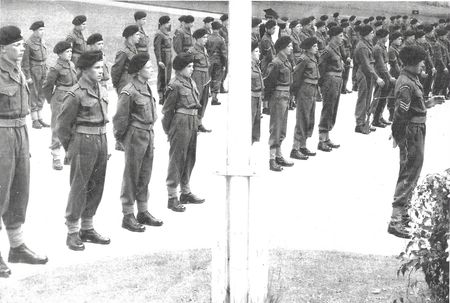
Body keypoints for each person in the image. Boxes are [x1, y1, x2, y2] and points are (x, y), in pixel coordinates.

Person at [0, 25, 48, 279]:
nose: (21, 49)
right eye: (16, 46)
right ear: (2, 49)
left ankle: (17, 247)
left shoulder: (17, 70)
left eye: (21, 45)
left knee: (20, 190)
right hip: (2, 136)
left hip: (20, 132)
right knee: (0, 192)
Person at [388, 45, 445, 239]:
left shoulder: (412, 79)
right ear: (412, 62)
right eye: (421, 61)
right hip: (411, 132)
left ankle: (404, 215)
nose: (423, 64)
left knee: (413, 170)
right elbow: (401, 112)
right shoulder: (405, 83)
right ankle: (395, 220)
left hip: (417, 128)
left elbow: (414, 106)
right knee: (408, 172)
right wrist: (397, 135)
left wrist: (429, 103)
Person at [56, 50, 110, 251]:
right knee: (79, 187)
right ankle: (72, 232)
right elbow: (62, 127)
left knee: (97, 185)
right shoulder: (75, 93)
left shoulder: (102, 90)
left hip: (101, 139)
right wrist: (72, 148)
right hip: (83, 142)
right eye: (96, 67)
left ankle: (87, 228)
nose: (100, 71)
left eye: (101, 67)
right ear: (84, 70)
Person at [113, 53, 163, 233]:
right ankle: (127, 215)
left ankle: (143, 211)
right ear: (139, 71)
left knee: (145, 174)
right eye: (148, 67)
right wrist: (121, 139)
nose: (151, 69)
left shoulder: (146, 86)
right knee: (131, 176)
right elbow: (120, 119)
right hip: (135, 135)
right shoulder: (129, 90)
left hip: (148, 133)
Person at [162, 53, 205, 212]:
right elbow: (167, 111)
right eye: (189, 67)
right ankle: (172, 196)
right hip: (180, 122)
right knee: (177, 159)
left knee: (190, 157)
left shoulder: (191, 82)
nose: (192, 69)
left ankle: (185, 192)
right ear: (180, 69)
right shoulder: (175, 85)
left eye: (193, 66)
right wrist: (170, 131)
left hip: (192, 122)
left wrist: (197, 124)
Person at [42, 41, 77, 171]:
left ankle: (68, 154)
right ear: (60, 54)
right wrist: (51, 100)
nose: (70, 54)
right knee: (57, 127)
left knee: (71, 126)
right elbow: (47, 85)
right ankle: (56, 156)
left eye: (71, 51)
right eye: (67, 52)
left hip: (71, 98)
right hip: (59, 99)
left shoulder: (72, 64)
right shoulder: (55, 68)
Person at [264, 36, 295, 172]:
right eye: (289, 46)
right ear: (282, 48)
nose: (291, 48)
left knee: (282, 128)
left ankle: (279, 155)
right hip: (278, 97)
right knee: (276, 128)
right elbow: (269, 82)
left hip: (285, 96)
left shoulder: (286, 61)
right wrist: (267, 101)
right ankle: (272, 159)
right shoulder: (276, 62)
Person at [290, 37, 320, 160]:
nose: (317, 48)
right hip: (304, 90)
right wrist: (294, 93)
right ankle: (295, 148)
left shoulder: (313, 58)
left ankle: (303, 145)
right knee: (302, 119)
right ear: (308, 48)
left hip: (312, 89)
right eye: (314, 46)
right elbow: (296, 77)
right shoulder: (303, 59)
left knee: (309, 119)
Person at [353, 25, 385, 134]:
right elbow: (366, 65)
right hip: (364, 73)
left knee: (367, 99)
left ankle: (364, 122)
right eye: (371, 33)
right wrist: (377, 78)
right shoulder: (362, 46)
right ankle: (359, 123)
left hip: (368, 74)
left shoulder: (367, 44)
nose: (373, 35)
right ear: (366, 34)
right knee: (363, 99)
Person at [317, 26, 344, 152]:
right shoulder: (328, 50)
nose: (342, 38)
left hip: (336, 81)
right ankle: (321, 140)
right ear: (333, 37)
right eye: (340, 36)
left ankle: (327, 137)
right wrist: (322, 84)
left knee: (333, 109)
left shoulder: (336, 49)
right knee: (328, 109)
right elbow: (320, 66)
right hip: (330, 81)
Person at [22, 21, 49, 129]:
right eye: (40, 30)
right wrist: (28, 76)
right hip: (34, 72)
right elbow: (25, 62)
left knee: (42, 94)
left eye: (43, 29)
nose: (43, 32)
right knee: (33, 94)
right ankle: (34, 119)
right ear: (34, 31)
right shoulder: (28, 43)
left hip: (43, 70)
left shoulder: (42, 41)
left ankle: (40, 117)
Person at [189, 28, 212, 132]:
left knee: (204, 100)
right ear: (197, 39)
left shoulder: (204, 49)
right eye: (204, 37)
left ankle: (199, 123)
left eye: (206, 37)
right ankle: (192, 124)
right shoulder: (192, 51)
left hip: (206, 77)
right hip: (197, 77)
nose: (206, 39)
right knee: (196, 99)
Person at [372, 29, 396, 128]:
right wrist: (389, 77)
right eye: (386, 36)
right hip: (382, 75)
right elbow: (381, 66)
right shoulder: (378, 48)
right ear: (382, 37)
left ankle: (379, 117)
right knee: (379, 98)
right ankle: (375, 120)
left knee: (383, 98)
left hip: (384, 75)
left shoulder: (382, 47)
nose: (387, 38)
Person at [111, 25, 140, 95]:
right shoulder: (123, 51)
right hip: (126, 82)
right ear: (130, 36)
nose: (139, 36)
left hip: (134, 81)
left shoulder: (133, 48)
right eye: (137, 34)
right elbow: (116, 70)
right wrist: (116, 84)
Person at [206, 21, 227, 106]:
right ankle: (214, 98)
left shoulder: (207, 38)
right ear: (219, 29)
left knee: (208, 77)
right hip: (218, 60)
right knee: (217, 78)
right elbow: (224, 53)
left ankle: (207, 94)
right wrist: (225, 63)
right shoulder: (221, 39)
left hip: (209, 60)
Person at [154, 15, 173, 104]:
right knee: (162, 77)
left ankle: (166, 94)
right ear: (163, 24)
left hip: (168, 58)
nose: (169, 24)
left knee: (167, 77)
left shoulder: (166, 33)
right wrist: (159, 60)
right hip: (163, 58)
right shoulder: (159, 34)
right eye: (168, 22)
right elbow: (157, 48)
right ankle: (161, 96)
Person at [260, 19, 276, 115]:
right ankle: (265, 107)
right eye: (273, 28)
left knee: (269, 85)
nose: (274, 30)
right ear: (267, 29)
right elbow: (270, 55)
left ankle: (267, 106)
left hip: (269, 63)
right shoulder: (266, 39)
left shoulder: (268, 37)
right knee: (267, 85)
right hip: (267, 64)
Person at [387, 32, 403, 121]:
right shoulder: (392, 49)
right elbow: (395, 64)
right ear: (394, 40)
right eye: (399, 39)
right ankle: (391, 113)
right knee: (392, 94)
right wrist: (401, 73)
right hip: (395, 73)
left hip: (399, 71)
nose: (400, 40)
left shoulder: (397, 48)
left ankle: (395, 113)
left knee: (397, 93)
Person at [251, 41, 263, 144]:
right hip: (251, 97)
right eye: (256, 51)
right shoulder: (249, 66)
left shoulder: (256, 65)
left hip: (257, 97)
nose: (259, 53)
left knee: (255, 123)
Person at [433, 28, 449, 96]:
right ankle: (435, 94)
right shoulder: (437, 44)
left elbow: (447, 53)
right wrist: (444, 67)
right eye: (445, 35)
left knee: (444, 80)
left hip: (445, 63)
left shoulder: (444, 42)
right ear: (441, 36)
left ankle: (442, 94)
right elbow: (439, 57)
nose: (446, 37)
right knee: (439, 80)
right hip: (440, 65)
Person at [219, 14, 229, 93]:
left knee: (226, 70)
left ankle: (221, 86)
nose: (228, 22)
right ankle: (220, 87)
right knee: (222, 69)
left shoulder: (225, 29)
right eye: (227, 21)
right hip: (222, 52)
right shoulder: (220, 30)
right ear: (224, 21)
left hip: (226, 51)